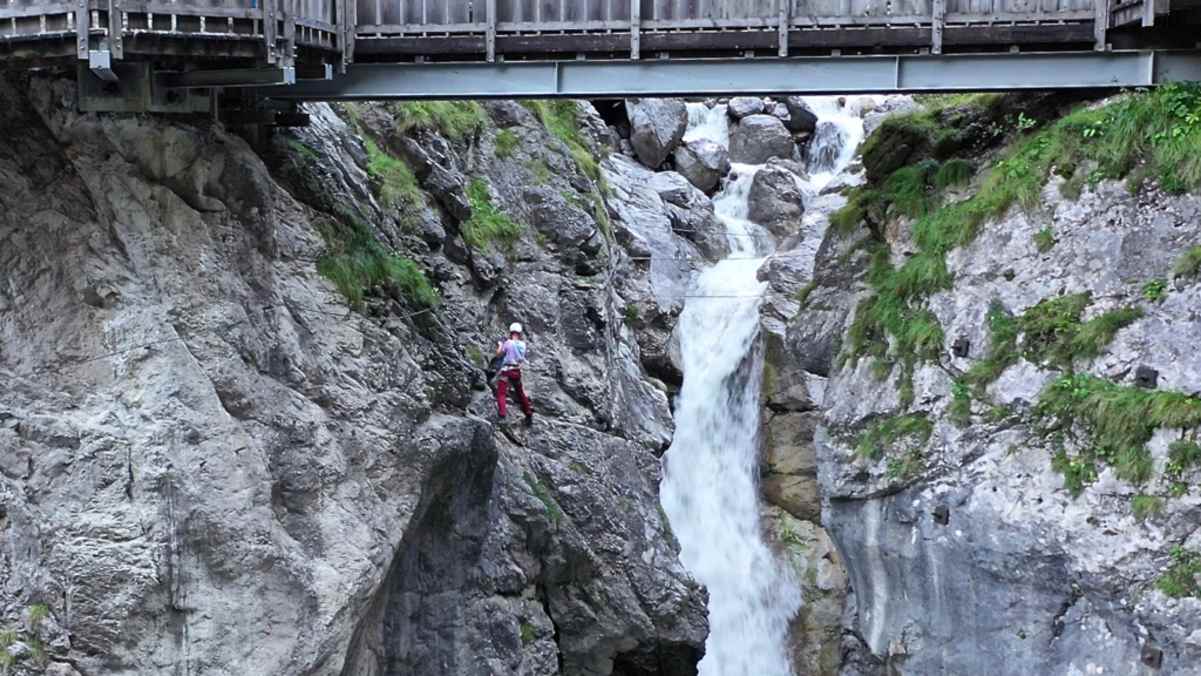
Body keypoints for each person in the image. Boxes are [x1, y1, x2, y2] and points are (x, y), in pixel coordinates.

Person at [495, 322, 533, 426]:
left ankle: (502, 414)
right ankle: (528, 413)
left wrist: (500, 345)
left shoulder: (508, 343)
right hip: (516, 372)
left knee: (501, 393)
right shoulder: (523, 345)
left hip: (507, 370)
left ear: (511, 332)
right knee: (520, 393)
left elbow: (499, 354)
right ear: (520, 333)